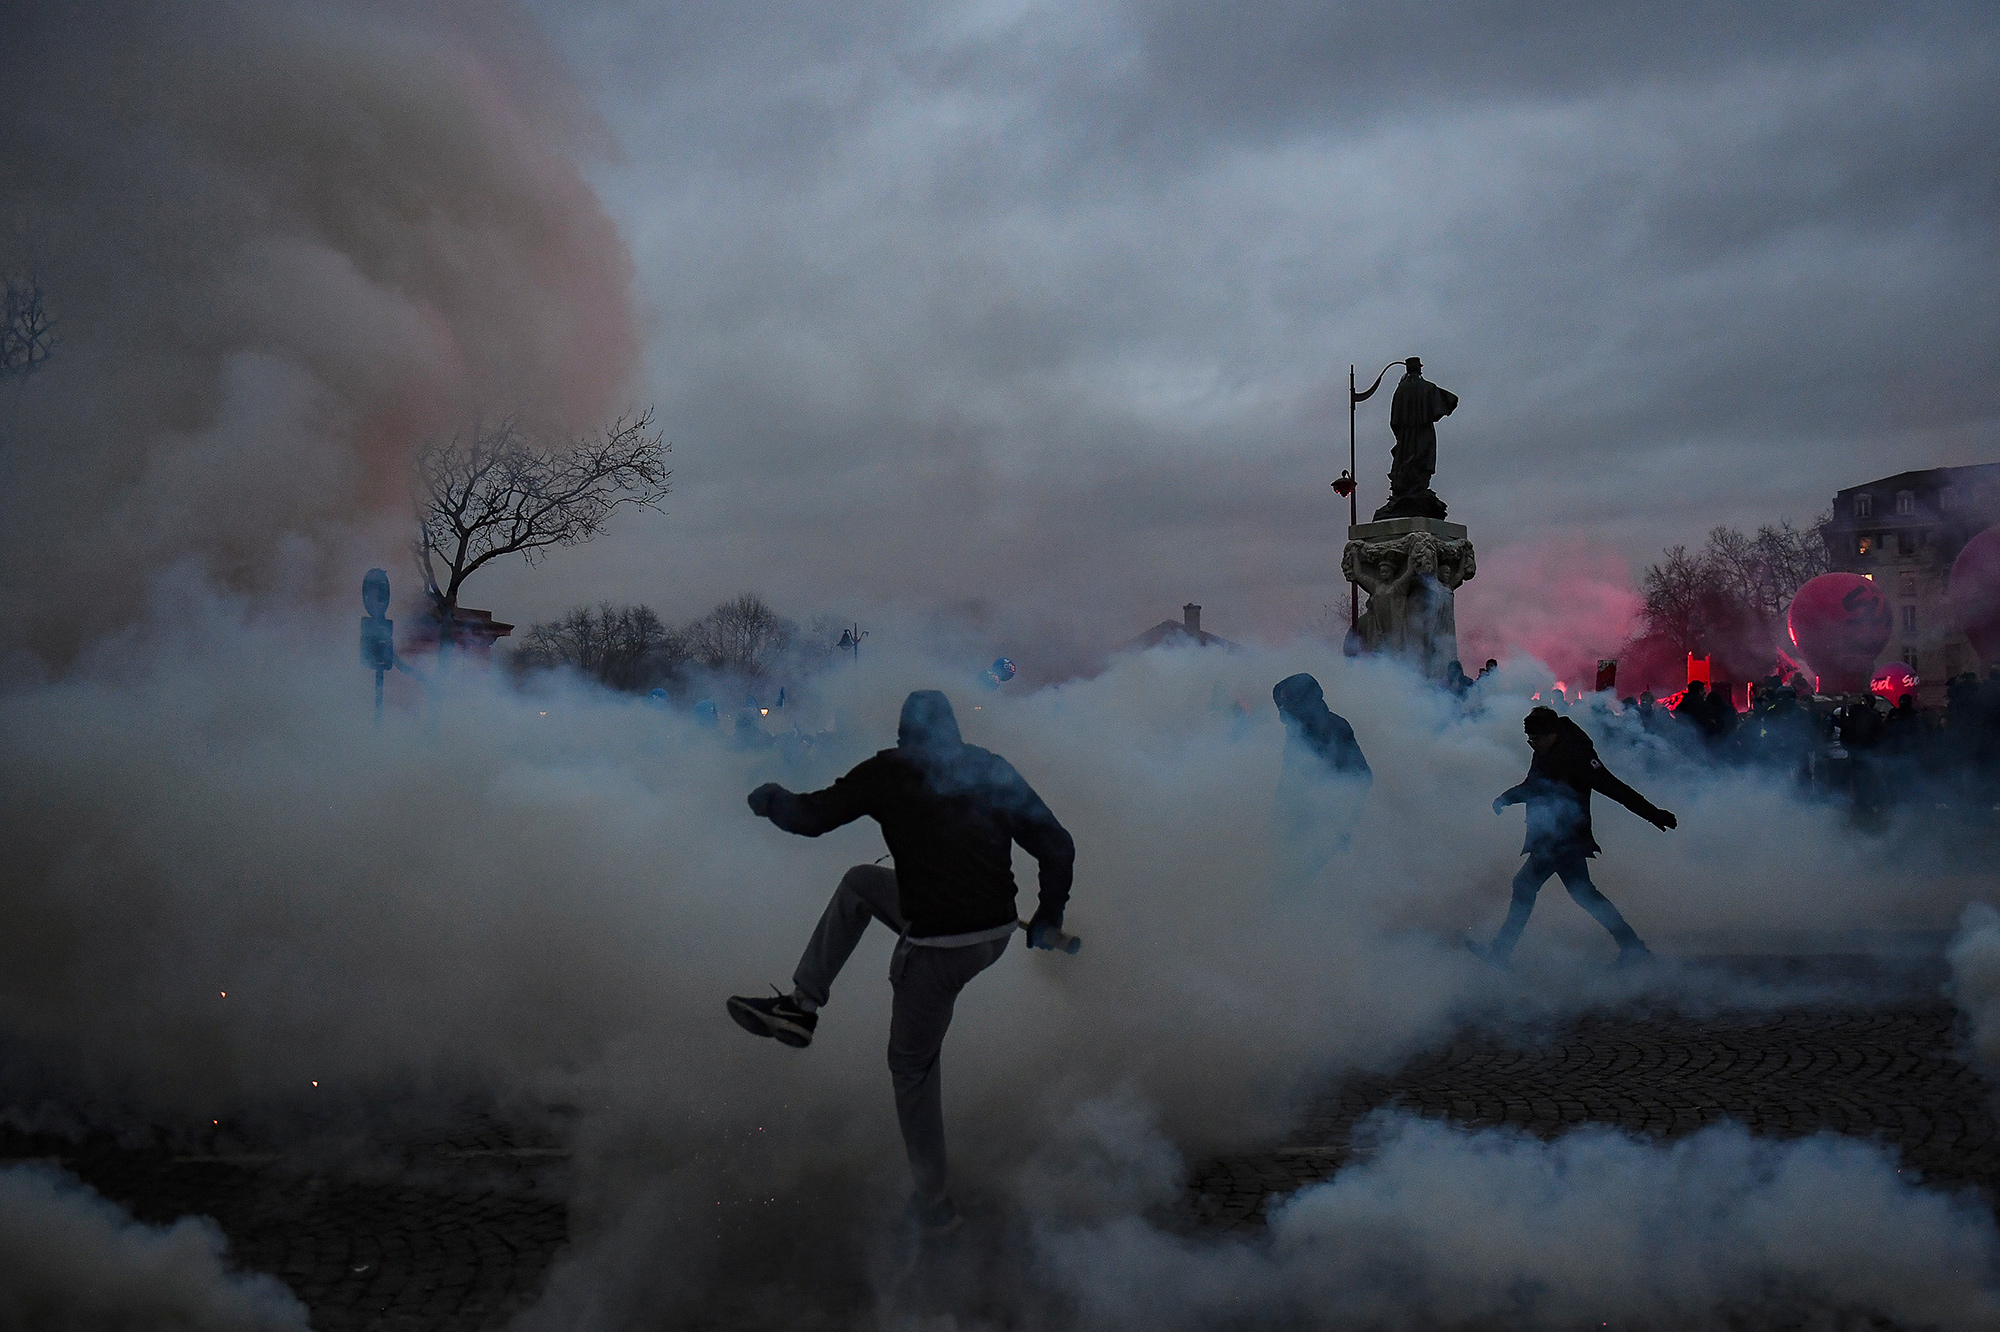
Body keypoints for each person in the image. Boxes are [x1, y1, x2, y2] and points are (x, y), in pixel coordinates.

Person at [726, 690, 1075, 1235]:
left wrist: (771, 798)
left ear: (903, 734)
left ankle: (934, 1208)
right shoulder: (988, 766)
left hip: (940, 947)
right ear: (954, 729)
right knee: (862, 883)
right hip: (995, 932)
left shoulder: (890, 771)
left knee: (911, 1069)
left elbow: (812, 817)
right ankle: (800, 1005)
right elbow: (1057, 843)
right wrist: (1048, 915)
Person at [1470, 706, 1677, 967]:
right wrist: (1507, 798)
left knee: (1525, 886)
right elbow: (1534, 785)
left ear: (1551, 733)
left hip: (1565, 838)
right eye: (1529, 740)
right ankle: (1633, 948)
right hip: (1552, 836)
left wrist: (1653, 814)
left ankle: (1500, 954)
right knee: (1584, 895)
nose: (1532, 745)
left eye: (1536, 739)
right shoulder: (1544, 751)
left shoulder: (1577, 755)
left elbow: (1614, 788)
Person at [1271, 673, 1372, 885]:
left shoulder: (1333, 729)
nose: (1283, 716)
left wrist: (1340, 822)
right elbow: (1291, 777)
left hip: (1326, 828)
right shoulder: (1301, 731)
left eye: (1287, 706)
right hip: (1302, 825)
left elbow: (1361, 776)